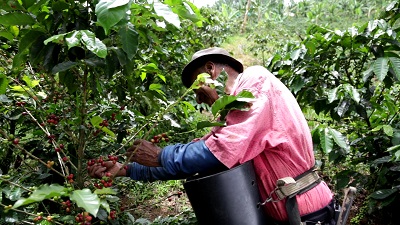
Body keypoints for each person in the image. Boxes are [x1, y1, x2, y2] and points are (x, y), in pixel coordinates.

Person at [88, 47, 335, 225]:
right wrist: (127, 169)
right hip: (285, 214)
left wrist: (161, 155)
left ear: (210, 70)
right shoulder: (232, 117)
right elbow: (200, 161)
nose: (198, 99)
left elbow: (216, 153)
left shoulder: (256, 83)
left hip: (308, 214)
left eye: (197, 88)